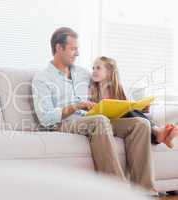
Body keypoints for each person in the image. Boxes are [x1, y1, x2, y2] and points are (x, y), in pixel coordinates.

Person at [32, 27, 155, 190]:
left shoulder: (83, 73)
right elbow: (45, 118)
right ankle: (117, 191)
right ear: (58, 48)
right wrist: (76, 106)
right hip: (62, 123)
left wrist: (134, 107)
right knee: (99, 121)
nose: (78, 53)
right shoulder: (42, 78)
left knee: (140, 124)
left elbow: (108, 84)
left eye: (78, 48)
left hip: (90, 119)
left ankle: (145, 191)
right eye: (73, 49)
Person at [89, 56, 178, 148]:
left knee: (136, 116)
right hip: (105, 123)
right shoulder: (92, 89)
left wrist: (142, 109)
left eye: (98, 68)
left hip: (121, 121)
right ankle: (160, 132)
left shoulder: (118, 90)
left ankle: (163, 136)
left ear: (109, 72)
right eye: (93, 68)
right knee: (132, 113)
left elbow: (128, 106)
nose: (94, 71)